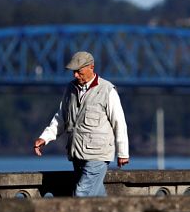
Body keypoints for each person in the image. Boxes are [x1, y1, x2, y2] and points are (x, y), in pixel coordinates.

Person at [33, 51, 129, 197]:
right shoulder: (70, 89)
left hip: (98, 155)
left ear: (91, 67)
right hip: (77, 153)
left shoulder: (107, 90)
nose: (75, 75)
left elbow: (119, 122)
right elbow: (61, 117)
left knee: (81, 194)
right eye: (74, 72)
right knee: (95, 196)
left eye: (79, 71)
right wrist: (45, 138)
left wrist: (123, 152)